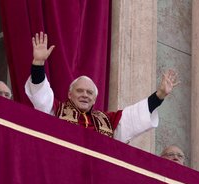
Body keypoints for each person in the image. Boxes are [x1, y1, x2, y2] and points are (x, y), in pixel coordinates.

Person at [25, 32, 178, 142]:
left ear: (94, 100)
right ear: (70, 95)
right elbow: (40, 94)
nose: (85, 94)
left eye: (89, 93)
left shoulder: (107, 121)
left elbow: (136, 115)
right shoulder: (56, 109)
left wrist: (160, 95)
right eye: (79, 91)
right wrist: (38, 63)